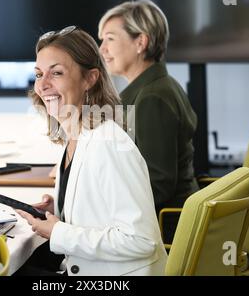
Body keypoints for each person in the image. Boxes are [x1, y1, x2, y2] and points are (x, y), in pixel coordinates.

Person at [15, 26, 167, 276]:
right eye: (39, 74)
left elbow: (141, 240)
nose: (43, 85)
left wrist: (59, 232)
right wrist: (59, 209)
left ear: (90, 78)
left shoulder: (108, 144)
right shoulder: (75, 134)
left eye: (57, 73)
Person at [98, 0, 199, 243]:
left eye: (110, 39)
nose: (102, 49)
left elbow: (158, 184)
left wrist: (101, 209)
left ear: (140, 42)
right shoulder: (155, 86)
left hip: (165, 228)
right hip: (162, 219)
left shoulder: (153, 97)